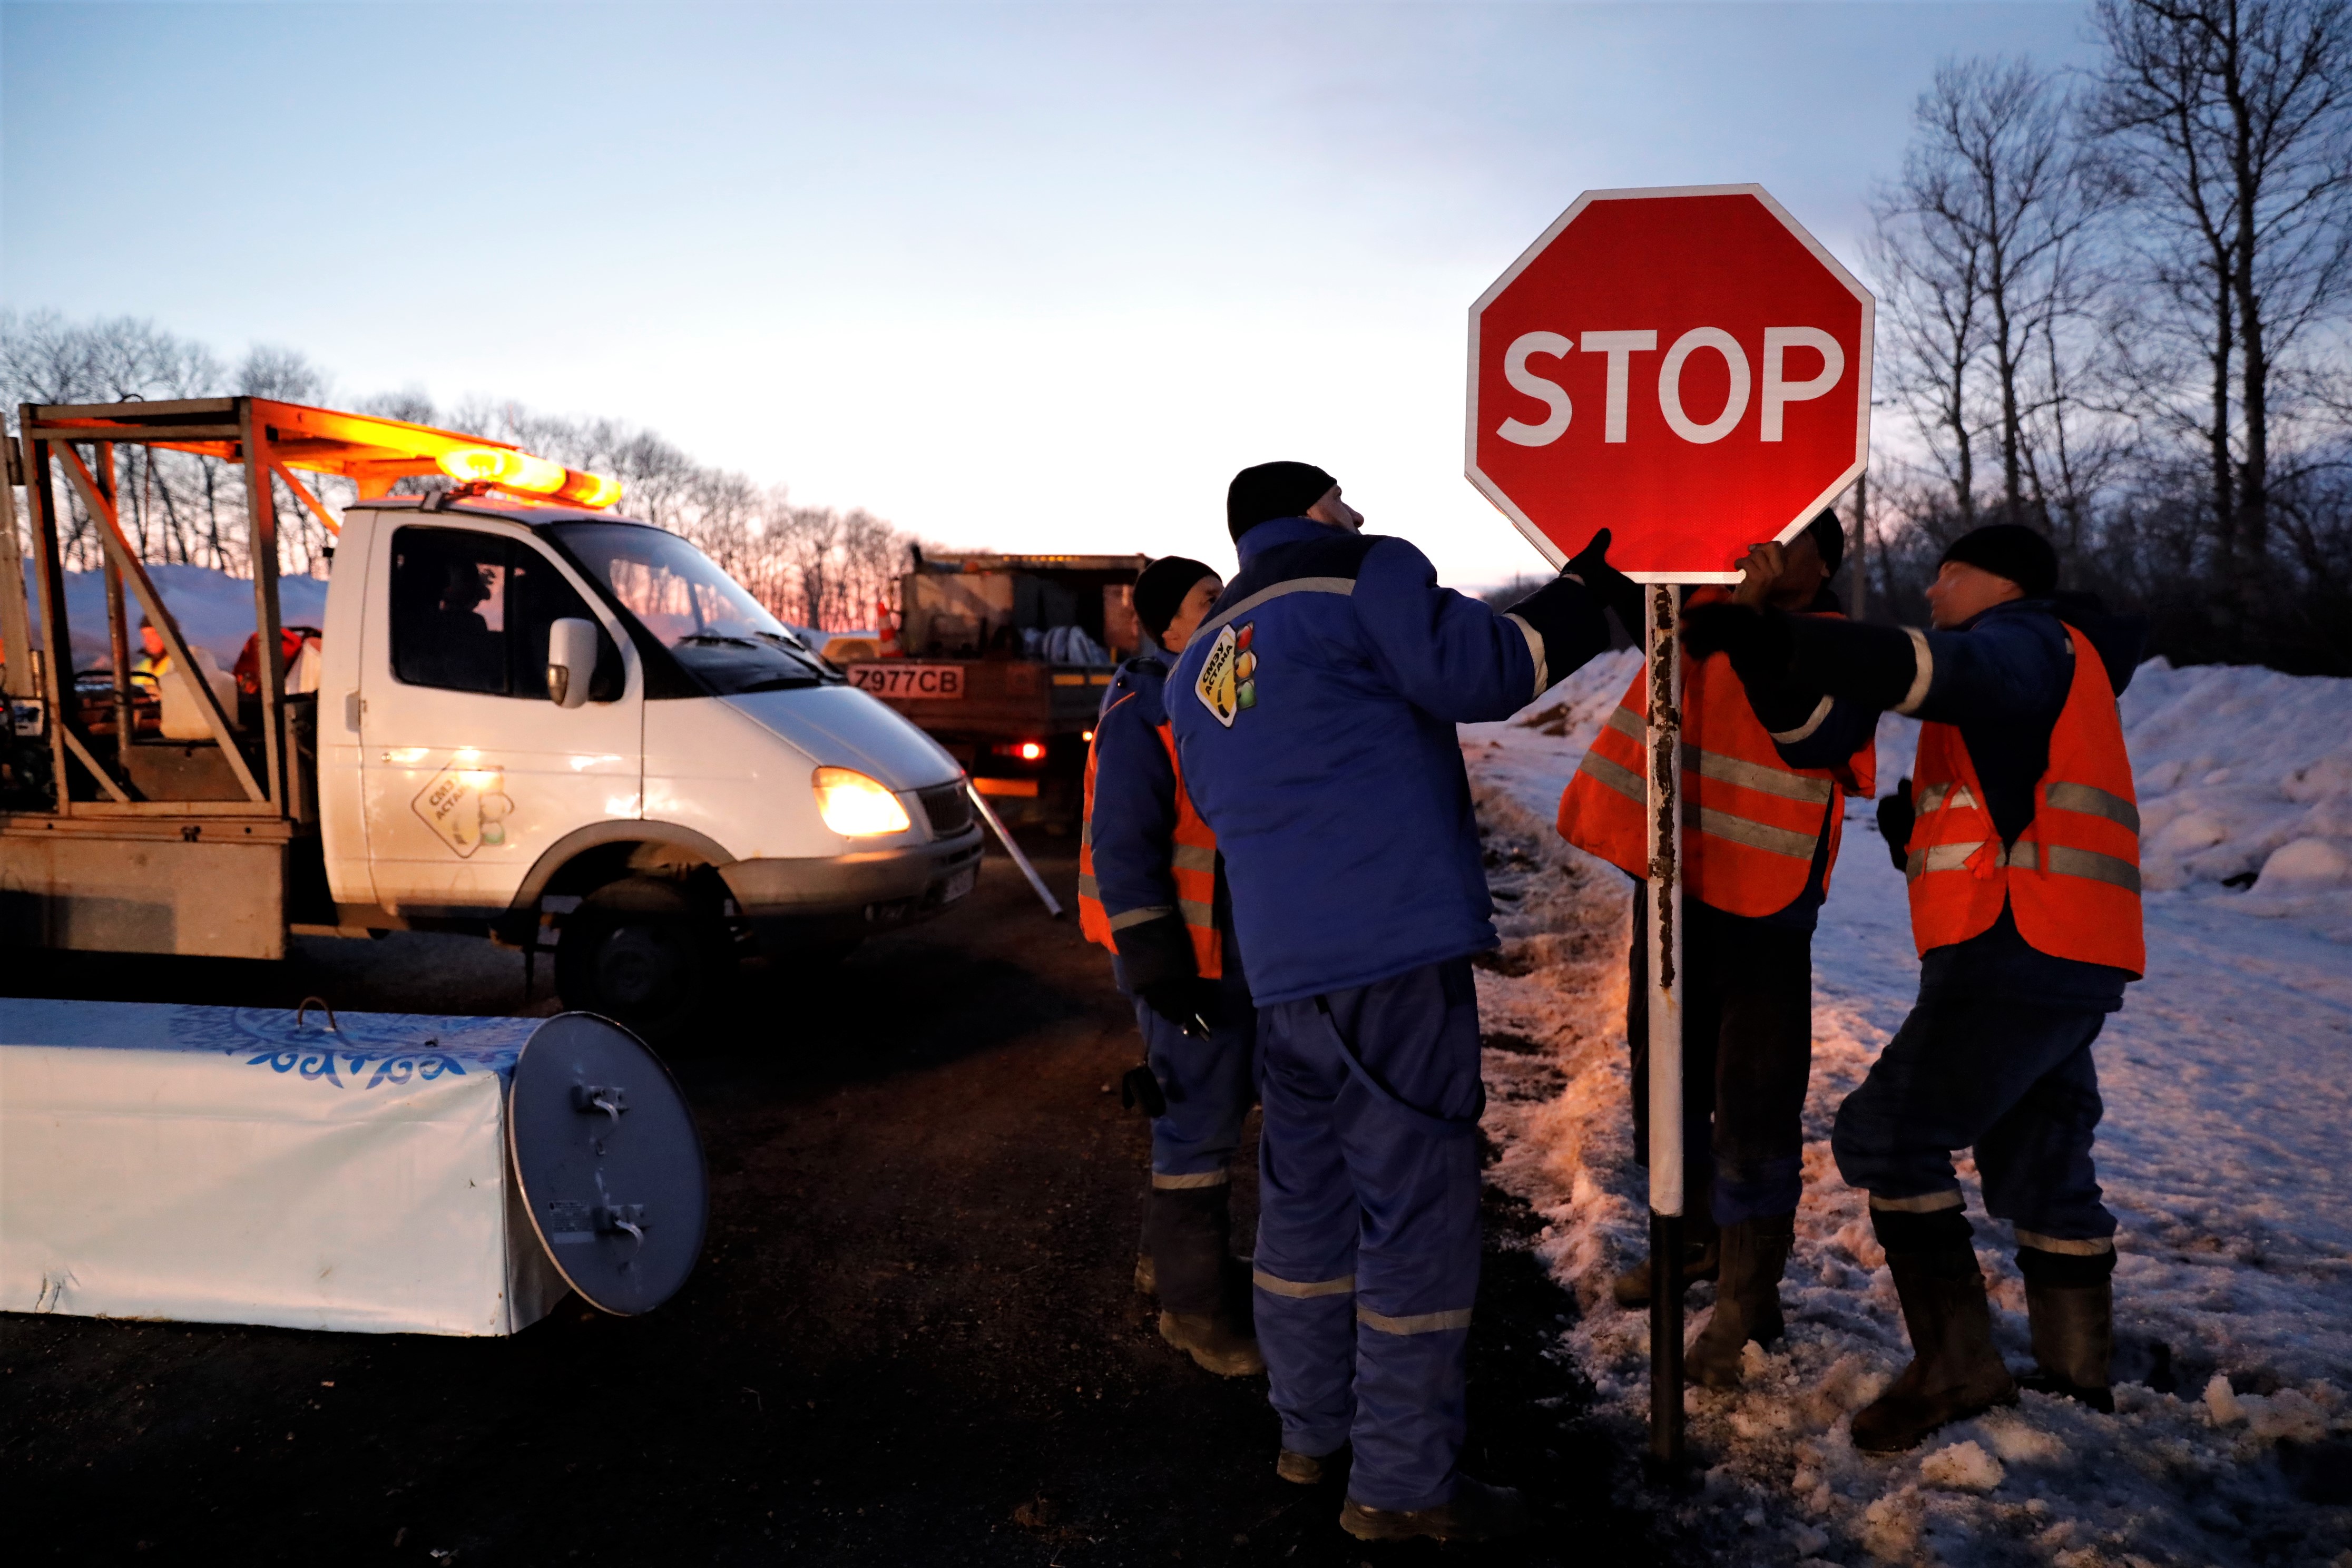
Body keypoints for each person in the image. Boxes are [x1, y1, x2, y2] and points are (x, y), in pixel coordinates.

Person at [1168, 461, 1619, 1543]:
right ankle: (1406, 1490)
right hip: (1394, 953)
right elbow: (1486, 670)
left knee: (1305, 1211)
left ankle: (1309, 1438)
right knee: (1413, 1217)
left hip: (1283, 974)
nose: (1360, 513)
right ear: (1312, 509)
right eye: (1342, 497)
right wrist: (1585, 594)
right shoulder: (1363, 575)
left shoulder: (1199, 664)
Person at [1682, 522, 2147, 1452]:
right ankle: (2076, 1379)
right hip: (2068, 944)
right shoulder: (2077, 658)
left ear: (2000, 581)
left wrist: (1783, 639)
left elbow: (1952, 671)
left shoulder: (2024, 639)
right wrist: (1914, 831)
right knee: (2045, 1159)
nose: (1932, 592)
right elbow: (2012, 802)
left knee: (1887, 1136)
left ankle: (1958, 1366)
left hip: (2016, 943)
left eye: (1949, 574)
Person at [1554, 510, 1876, 1388]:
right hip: (1674, 894)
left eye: (1794, 539)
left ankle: (1748, 1303)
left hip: (1767, 916)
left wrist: (1754, 616)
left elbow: (1819, 735)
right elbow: (1638, 596)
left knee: (1753, 1113)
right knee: (1665, 1089)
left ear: (1826, 562)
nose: (1763, 553)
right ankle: (1686, 1246)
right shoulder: (1702, 612)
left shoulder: (1844, 645)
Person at [1077, 554, 1263, 1378]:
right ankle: (1195, 1316)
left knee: (1203, 1119)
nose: (1224, 612)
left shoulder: (1218, 696)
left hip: (1231, 956)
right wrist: (1158, 970)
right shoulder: (1142, 709)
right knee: (1197, 1132)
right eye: (1208, 601)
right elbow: (1124, 851)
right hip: (1185, 964)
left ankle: (1172, 1267)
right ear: (1166, 626)